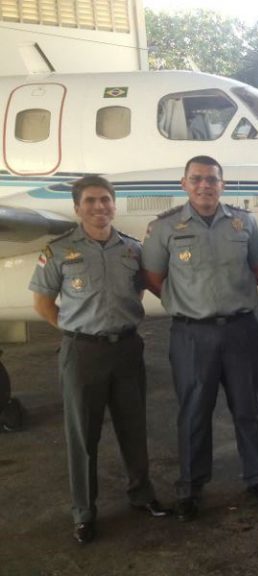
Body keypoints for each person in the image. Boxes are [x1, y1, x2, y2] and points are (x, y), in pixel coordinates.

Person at [29, 176, 170, 545]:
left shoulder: (132, 249)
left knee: (133, 426)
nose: (99, 207)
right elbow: (43, 302)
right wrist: (77, 328)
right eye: (90, 201)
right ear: (78, 208)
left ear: (114, 204)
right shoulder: (58, 251)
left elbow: (138, 289)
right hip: (83, 352)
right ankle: (84, 512)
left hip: (126, 348)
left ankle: (141, 494)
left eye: (105, 200)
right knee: (82, 435)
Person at [142, 155, 258, 521]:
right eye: (197, 179)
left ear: (223, 184)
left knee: (249, 409)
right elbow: (153, 276)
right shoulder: (165, 228)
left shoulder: (243, 221)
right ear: (184, 183)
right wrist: (187, 303)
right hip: (192, 334)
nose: (205, 185)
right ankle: (190, 488)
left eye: (212, 179)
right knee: (194, 413)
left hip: (240, 331)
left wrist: (229, 300)